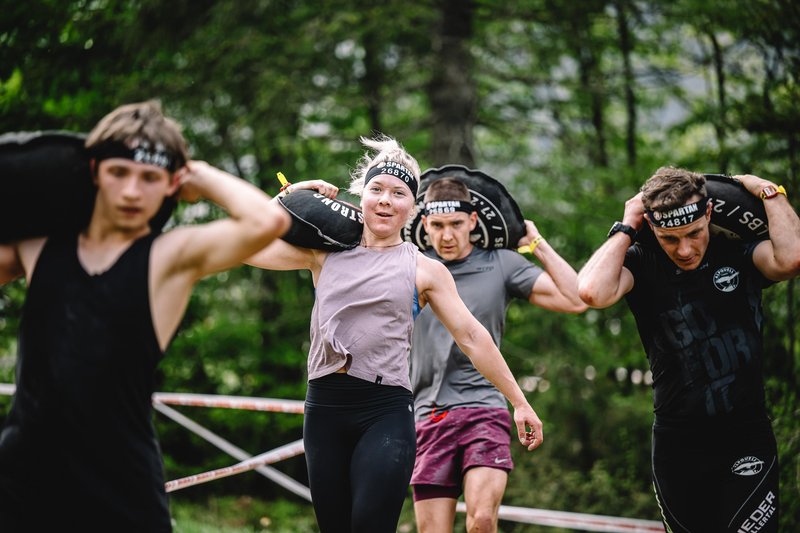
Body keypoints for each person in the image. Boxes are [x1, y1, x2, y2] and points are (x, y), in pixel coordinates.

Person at [0, 100, 290, 532]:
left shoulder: (168, 258)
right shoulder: (39, 245)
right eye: (119, 173)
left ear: (171, 184)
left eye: (150, 178)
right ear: (94, 170)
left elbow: (266, 220)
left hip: (119, 488)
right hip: (22, 479)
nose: (133, 192)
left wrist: (199, 173)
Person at [245, 135, 543, 533]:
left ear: (412, 208)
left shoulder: (425, 270)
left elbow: (472, 337)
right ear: (361, 196)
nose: (386, 200)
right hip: (324, 408)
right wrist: (292, 195)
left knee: (370, 524)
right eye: (377, 190)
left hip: (385, 411)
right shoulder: (323, 253)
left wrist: (519, 401)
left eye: (398, 193)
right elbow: (247, 245)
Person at [576, 166, 800, 532]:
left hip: (745, 435)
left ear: (709, 214)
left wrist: (767, 191)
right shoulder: (642, 263)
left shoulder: (738, 254)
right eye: (669, 238)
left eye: (694, 234)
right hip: (677, 443)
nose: (684, 249)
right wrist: (628, 224)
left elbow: (792, 259)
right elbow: (590, 292)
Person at [409, 177, 586, 533]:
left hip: (483, 407)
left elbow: (576, 298)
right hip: (427, 413)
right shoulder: (412, 266)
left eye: (456, 224)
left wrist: (534, 243)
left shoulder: (501, 263)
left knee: (483, 520)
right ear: (424, 224)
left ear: (473, 221)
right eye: (438, 226)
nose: (446, 236)